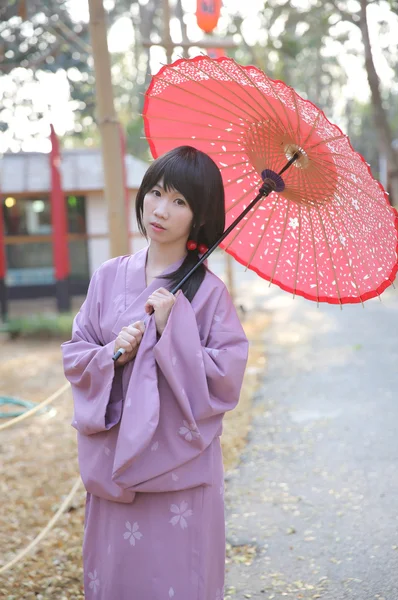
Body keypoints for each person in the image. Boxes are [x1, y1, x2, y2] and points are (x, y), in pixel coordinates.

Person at [61, 145, 249, 599]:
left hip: (178, 472)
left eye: (181, 202)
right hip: (115, 464)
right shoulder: (107, 276)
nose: (161, 210)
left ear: (200, 217)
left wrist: (173, 330)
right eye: (157, 193)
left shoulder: (209, 294)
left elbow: (225, 377)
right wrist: (111, 354)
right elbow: (76, 353)